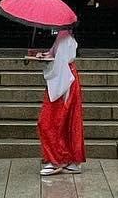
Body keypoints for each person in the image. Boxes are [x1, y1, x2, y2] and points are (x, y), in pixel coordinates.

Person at [30, 25, 85, 175]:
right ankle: (71, 159)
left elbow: (60, 63)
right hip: (67, 80)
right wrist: (45, 55)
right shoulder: (64, 37)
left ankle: (56, 160)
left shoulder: (64, 38)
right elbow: (56, 56)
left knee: (50, 122)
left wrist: (46, 59)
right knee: (67, 122)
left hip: (63, 83)